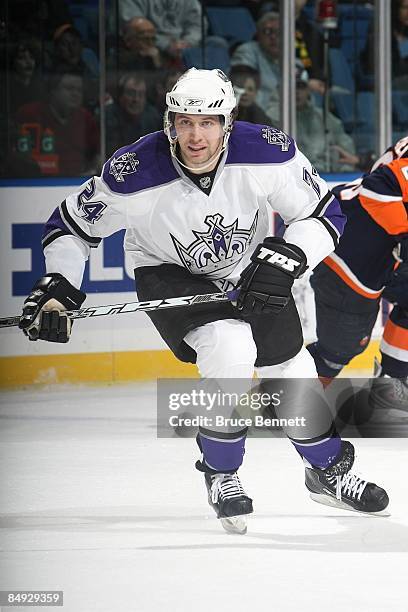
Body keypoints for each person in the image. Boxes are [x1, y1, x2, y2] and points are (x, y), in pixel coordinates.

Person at [18, 69, 389, 533]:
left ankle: (327, 471)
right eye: (185, 122)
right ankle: (222, 472)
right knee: (230, 349)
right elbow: (71, 226)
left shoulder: (267, 151)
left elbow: (323, 212)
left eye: (208, 122)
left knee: (290, 369)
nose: (196, 136)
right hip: (166, 271)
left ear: (228, 122)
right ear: (169, 122)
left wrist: (289, 257)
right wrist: (58, 286)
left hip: (248, 269)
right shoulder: (134, 171)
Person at [307, 136, 408, 412]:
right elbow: (379, 186)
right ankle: (276, 400)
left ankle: (394, 383)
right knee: (339, 348)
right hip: (350, 252)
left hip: (382, 254)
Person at [268, 61, 358, 173]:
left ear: (308, 90)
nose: (296, 92)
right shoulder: (271, 118)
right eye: (292, 87)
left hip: (325, 177)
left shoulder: (325, 117)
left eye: (301, 87)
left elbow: (348, 154)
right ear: (282, 90)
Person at [15, 69, 100, 176]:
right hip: (36, 183)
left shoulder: (85, 118)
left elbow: (97, 155)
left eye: (79, 90)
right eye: (69, 88)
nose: (76, 94)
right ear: (52, 90)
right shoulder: (29, 114)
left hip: (76, 182)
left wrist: (93, 170)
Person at [119, 0, 203, 62]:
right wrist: (166, 45)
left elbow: (197, 25)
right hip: (152, 47)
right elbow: (135, 29)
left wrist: (188, 42)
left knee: (214, 43)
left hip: (186, 48)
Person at [230, 11, 280, 111]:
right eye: (267, 31)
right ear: (258, 34)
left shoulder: (292, 60)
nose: (273, 37)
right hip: (258, 116)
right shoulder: (247, 52)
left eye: (279, 32)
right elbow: (242, 89)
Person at [104, 71, 162, 157]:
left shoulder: (154, 118)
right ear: (121, 96)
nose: (136, 99)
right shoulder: (107, 116)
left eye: (141, 95)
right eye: (131, 93)